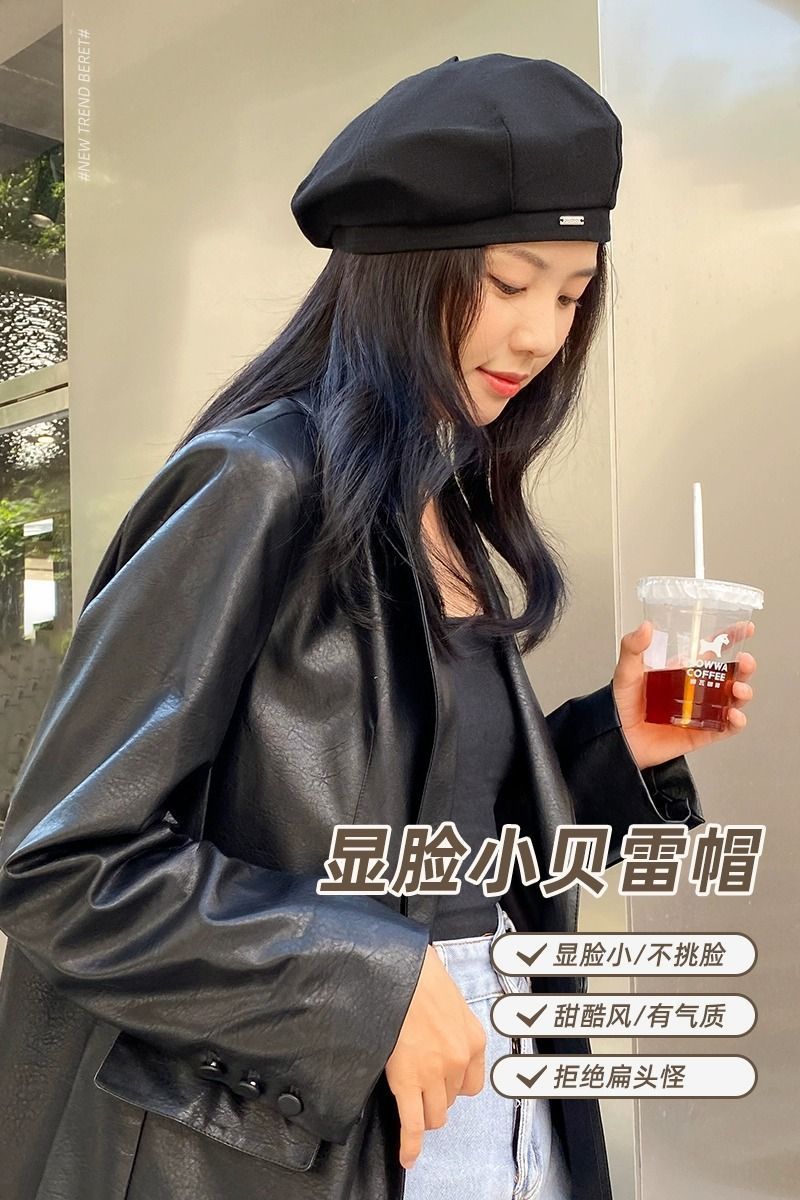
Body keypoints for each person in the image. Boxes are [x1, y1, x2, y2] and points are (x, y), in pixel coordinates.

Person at [0, 53, 756, 1200]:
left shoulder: (440, 503)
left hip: (505, 1086)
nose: (540, 334)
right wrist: (365, 985)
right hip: (311, 1112)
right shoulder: (255, 482)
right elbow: (63, 864)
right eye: (508, 281)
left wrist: (616, 746)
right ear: (401, 272)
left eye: (569, 294)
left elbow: (430, 831)